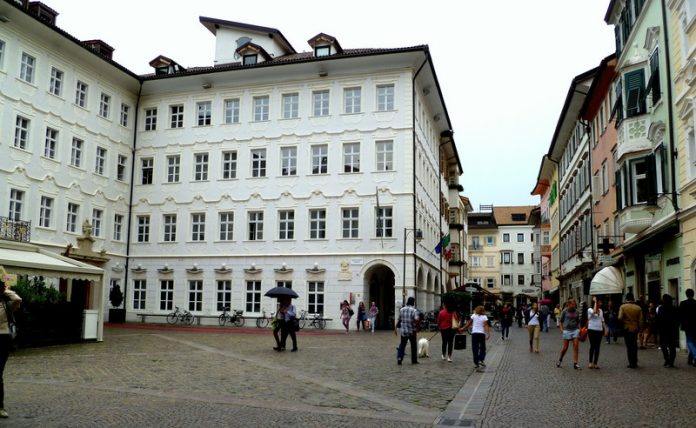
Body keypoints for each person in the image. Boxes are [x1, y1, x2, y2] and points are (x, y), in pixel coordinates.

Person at [0, 280, 22, 419]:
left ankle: (0, 407)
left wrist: (6, 291)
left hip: (2, 339)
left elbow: (18, 299)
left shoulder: (6, 304)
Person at [618, 292, 643, 369]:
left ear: (627, 299)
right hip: (635, 328)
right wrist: (641, 329)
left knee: (629, 346)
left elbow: (619, 317)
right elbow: (641, 320)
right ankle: (635, 361)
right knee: (634, 344)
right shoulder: (638, 308)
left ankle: (631, 362)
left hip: (627, 328)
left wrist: (625, 321)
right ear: (633, 298)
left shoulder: (623, 307)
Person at [556, 298, 581, 370]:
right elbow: (561, 321)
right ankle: (560, 360)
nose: (574, 305)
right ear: (569, 304)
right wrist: (561, 329)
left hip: (575, 330)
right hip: (567, 331)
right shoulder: (565, 311)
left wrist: (579, 329)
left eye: (575, 304)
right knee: (565, 348)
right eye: (573, 304)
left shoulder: (577, 311)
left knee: (576, 346)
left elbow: (578, 321)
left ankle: (575, 363)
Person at [655, 294, 679, 368]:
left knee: (663, 345)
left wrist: (657, 328)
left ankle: (667, 358)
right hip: (672, 329)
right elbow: (678, 319)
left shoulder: (661, 308)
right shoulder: (675, 308)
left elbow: (658, 319)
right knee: (672, 346)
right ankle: (671, 361)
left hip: (663, 329)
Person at [396, 297, 420, 365]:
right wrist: (417, 327)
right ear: (413, 302)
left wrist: (396, 328)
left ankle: (399, 358)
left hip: (403, 330)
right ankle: (414, 360)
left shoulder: (402, 309)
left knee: (402, 344)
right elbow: (416, 320)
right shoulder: (414, 310)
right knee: (413, 345)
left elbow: (399, 319)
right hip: (411, 330)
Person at [586, 296, 607, 369]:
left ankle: (595, 363)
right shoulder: (589, 309)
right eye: (599, 302)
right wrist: (595, 301)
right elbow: (594, 312)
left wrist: (606, 329)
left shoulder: (601, 310)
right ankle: (590, 362)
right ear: (596, 302)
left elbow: (602, 320)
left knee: (597, 346)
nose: (601, 303)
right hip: (591, 330)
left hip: (599, 330)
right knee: (592, 346)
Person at [679, 289, 696, 366]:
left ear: (686, 294)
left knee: (689, 341)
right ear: (693, 294)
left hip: (687, 326)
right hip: (695, 325)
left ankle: (695, 356)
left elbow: (680, 315)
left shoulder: (683, 303)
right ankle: (690, 359)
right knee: (694, 342)